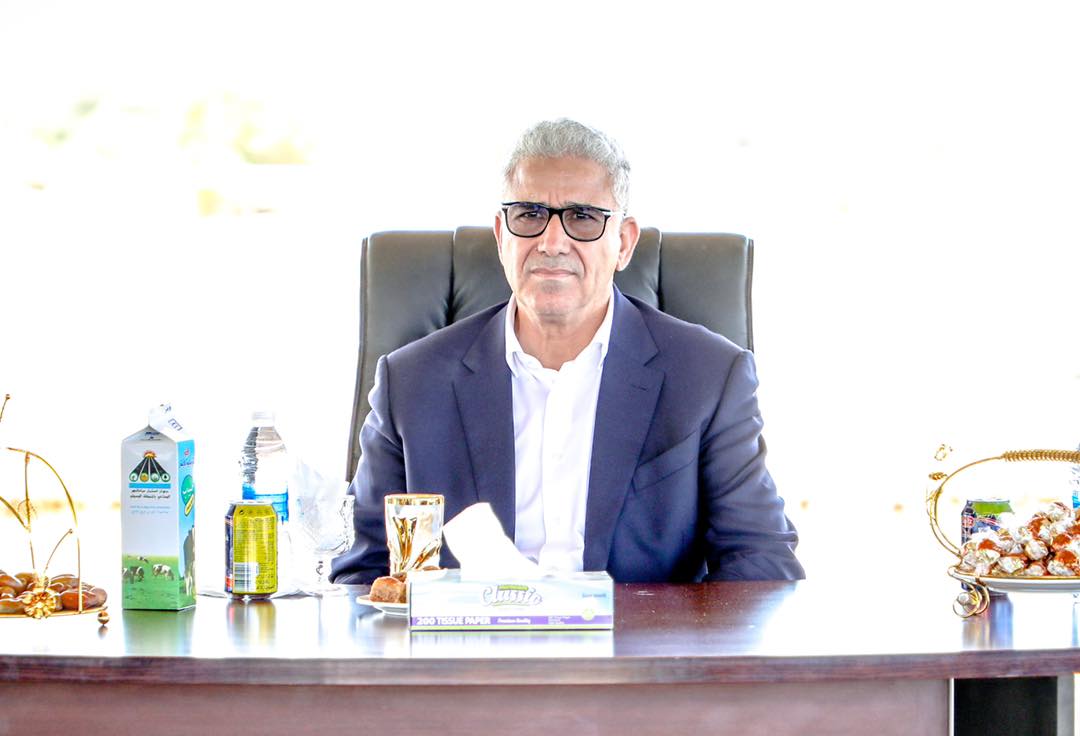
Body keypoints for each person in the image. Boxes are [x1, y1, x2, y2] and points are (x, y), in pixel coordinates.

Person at [331, 118, 804, 584]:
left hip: (637, 635)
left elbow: (762, 565)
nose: (551, 242)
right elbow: (359, 575)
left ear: (624, 242)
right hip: (468, 636)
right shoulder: (410, 382)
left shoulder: (708, 376)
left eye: (583, 217)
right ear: (501, 235)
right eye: (529, 214)